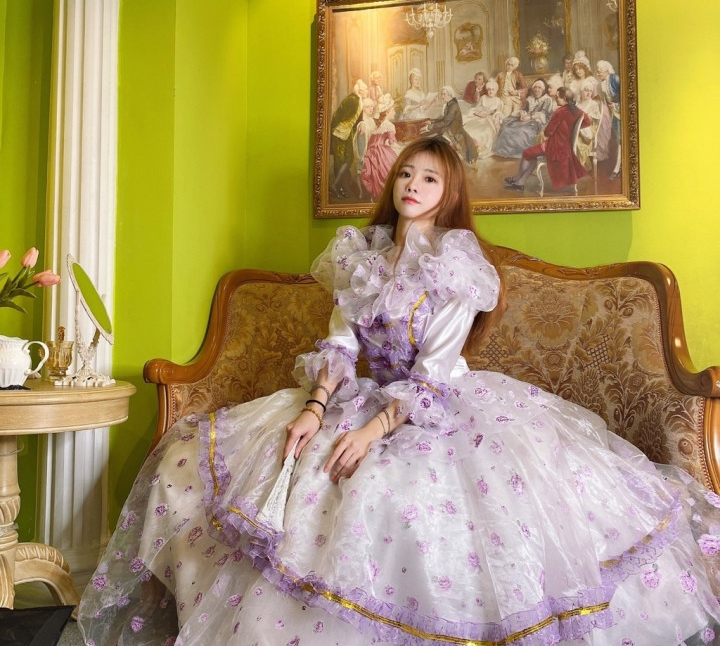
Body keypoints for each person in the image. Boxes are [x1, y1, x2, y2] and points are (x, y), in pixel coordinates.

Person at [79, 136, 720, 646]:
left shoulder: (456, 264)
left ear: (449, 194)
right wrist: (314, 409)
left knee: (399, 495)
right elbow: (340, 344)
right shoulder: (360, 255)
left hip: (435, 408)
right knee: (212, 458)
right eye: (406, 174)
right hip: (358, 394)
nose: (412, 185)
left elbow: (434, 373)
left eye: (430, 179)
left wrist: (371, 431)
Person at [504, 86, 591, 192]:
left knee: (526, 153)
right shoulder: (577, 110)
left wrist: (551, 131)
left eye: (557, 97)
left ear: (564, 98)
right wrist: (572, 129)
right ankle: (519, 182)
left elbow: (548, 132)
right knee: (532, 154)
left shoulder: (560, 112)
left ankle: (518, 180)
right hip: (565, 146)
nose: (555, 99)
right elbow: (587, 122)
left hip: (555, 147)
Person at [492, 78, 554, 159]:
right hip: (526, 120)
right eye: (535, 87)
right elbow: (524, 109)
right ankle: (508, 152)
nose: (537, 90)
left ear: (543, 90)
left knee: (522, 131)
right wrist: (522, 113)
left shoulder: (547, 99)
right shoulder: (530, 99)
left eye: (539, 88)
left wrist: (530, 117)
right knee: (508, 129)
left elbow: (544, 113)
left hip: (537, 123)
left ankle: (520, 153)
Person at [329, 79, 368, 198]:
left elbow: (359, 118)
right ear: (360, 91)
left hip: (348, 133)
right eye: (365, 89)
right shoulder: (352, 99)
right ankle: (338, 187)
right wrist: (333, 130)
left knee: (349, 159)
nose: (367, 91)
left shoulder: (360, 101)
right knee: (339, 160)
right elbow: (337, 115)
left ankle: (337, 185)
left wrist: (362, 123)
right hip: (339, 132)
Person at [421, 86, 478, 166]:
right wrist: (431, 122)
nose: (442, 96)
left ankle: (443, 163)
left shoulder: (453, 106)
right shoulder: (449, 104)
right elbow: (444, 119)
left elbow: (446, 122)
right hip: (449, 130)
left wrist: (428, 127)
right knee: (431, 140)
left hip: (454, 133)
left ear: (450, 94)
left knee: (434, 142)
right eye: (442, 94)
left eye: (444, 94)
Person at [360, 94, 398, 200]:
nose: (395, 113)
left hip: (371, 152)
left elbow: (372, 141)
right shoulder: (389, 125)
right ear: (387, 113)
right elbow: (392, 142)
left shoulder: (378, 124)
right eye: (393, 111)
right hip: (381, 152)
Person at [463, 79, 503, 160]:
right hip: (479, 117)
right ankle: (465, 148)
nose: (490, 92)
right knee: (468, 128)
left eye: (493, 90)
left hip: (490, 120)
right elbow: (476, 109)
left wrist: (495, 118)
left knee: (484, 132)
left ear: (496, 91)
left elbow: (498, 113)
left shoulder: (498, 101)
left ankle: (476, 149)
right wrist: (480, 114)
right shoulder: (483, 98)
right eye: (489, 89)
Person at [596, 59, 622, 180]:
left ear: (606, 70)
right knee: (616, 139)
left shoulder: (615, 79)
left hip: (620, 113)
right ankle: (618, 165)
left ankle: (618, 167)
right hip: (613, 114)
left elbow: (626, 96)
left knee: (620, 140)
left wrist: (616, 106)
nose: (598, 74)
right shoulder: (603, 82)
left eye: (599, 71)